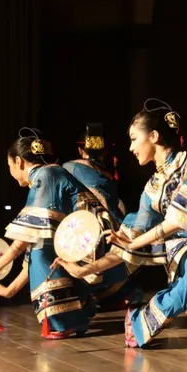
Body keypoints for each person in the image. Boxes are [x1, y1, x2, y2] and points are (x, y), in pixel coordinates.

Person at [55, 99, 187, 353]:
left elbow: (179, 220)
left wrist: (136, 242)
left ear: (154, 136)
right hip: (183, 248)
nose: (130, 147)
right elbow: (128, 240)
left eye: (134, 138)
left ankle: (143, 319)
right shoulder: (152, 189)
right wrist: (84, 269)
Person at [0, 128, 101, 339]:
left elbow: (26, 239)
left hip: (95, 245)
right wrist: (10, 290)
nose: (10, 171)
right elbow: (34, 243)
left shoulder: (45, 175)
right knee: (39, 249)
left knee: (40, 252)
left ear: (19, 162)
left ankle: (64, 320)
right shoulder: (49, 174)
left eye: (9, 166)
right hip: (88, 245)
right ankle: (79, 306)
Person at [63, 122, 142, 311]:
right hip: (114, 231)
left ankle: (83, 301)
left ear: (81, 150)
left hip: (82, 232)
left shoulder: (68, 168)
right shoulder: (107, 176)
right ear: (105, 153)